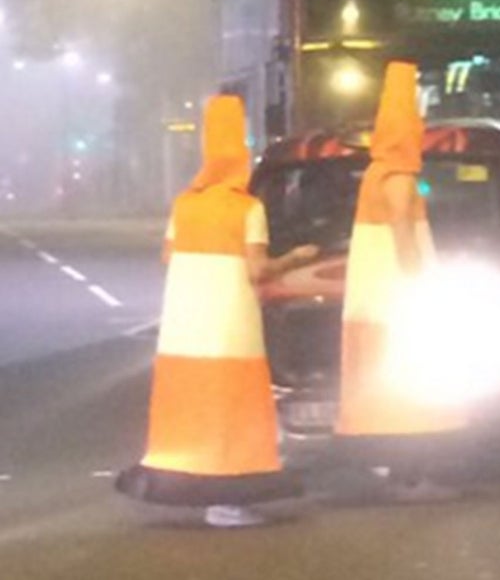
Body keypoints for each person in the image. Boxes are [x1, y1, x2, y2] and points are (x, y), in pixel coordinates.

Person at [116, 96, 317, 528]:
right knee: (233, 406)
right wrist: (296, 258)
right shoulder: (246, 208)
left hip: (184, 329)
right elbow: (258, 270)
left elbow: (168, 259)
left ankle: (193, 486)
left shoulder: (186, 204)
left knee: (191, 408)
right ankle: (228, 501)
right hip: (230, 326)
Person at [335, 62, 466, 500]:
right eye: (417, 115)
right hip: (398, 300)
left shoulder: (377, 170)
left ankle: (401, 471)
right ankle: (411, 476)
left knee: (396, 380)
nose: (422, 123)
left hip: (379, 301)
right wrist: (417, 282)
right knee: (413, 379)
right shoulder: (397, 174)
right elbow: (401, 228)